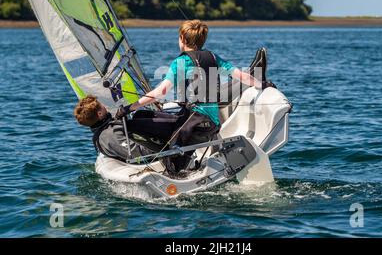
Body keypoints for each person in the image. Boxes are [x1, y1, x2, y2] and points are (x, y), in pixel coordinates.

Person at [114, 19, 274, 173]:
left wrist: (128, 108)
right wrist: (262, 84)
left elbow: (160, 93)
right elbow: (241, 76)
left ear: (182, 38)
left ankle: (174, 171)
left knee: (138, 122)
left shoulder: (180, 62)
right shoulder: (213, 57)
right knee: (146, 115)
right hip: (212, 124)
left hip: (194, 125)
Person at [73, 96, 157, 162]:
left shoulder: (105, 129)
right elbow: (140, 153)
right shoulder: (110, 135)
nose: (105, 106)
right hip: (151, 155)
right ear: (100, 113)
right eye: (102, 106)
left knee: (140, 115)